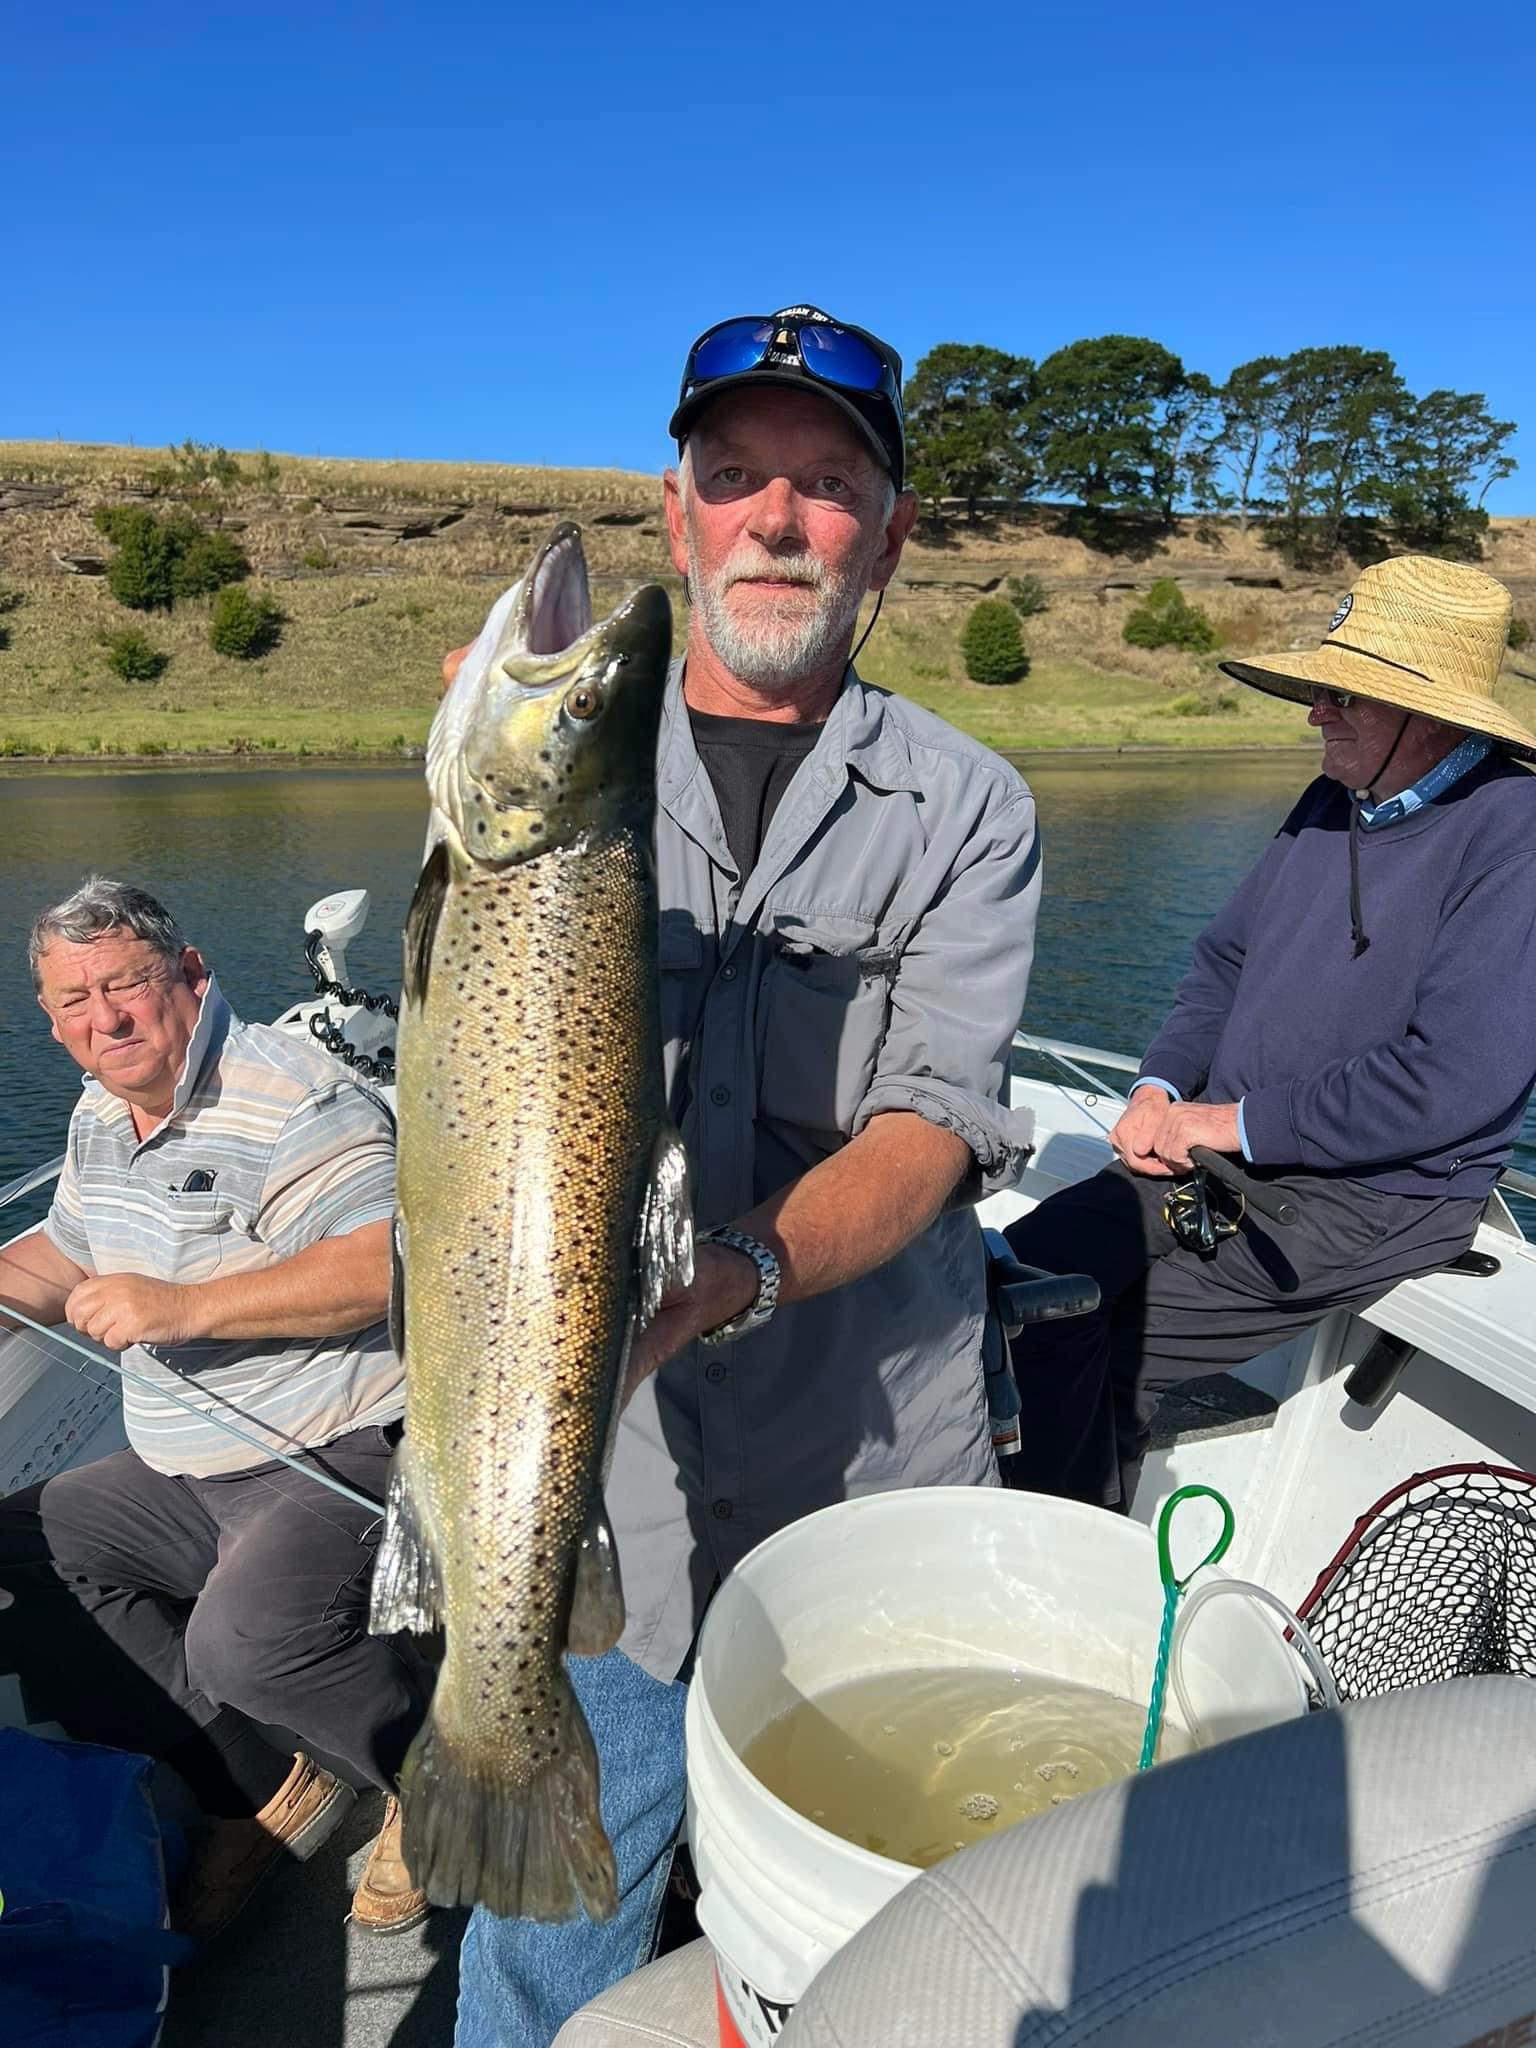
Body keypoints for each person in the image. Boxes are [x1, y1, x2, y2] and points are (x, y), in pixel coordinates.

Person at [449, 307, 1041, 2046]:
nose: (778, 518)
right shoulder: (558, 764)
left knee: (869, 1912)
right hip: (596, 1472)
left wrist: (734, 1276)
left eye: (828, 483)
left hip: (864, 1462)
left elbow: (932, 1126)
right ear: (676, 512)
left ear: (893, 532)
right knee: (548, 1926)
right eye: (736, 478)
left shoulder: (970, 807)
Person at [1002, 554, 1536, 1512]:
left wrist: (1226, 1124)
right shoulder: (1334, 797)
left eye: (1340, 696)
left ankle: (1062, 1587)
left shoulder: (1516, 835)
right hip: (1213, 1156)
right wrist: (1161, 1088)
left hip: (1367, 1202)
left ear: (1430, 715)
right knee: (1012, 1278)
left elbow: (1453, 1079)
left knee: (1096, 1344)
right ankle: (1047, 1535)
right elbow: (1223, 963)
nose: (1313, 713)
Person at [0, 877, 431, 1939]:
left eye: (125, 982)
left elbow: (381, 1264)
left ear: (189, 974)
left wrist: (186, 1304)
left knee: (245, 1643)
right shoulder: (106, 1106)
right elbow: (67, 1256)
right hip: (186, 1460)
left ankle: (435, 1779)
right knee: (21, 1551)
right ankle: (255, 1789)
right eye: (72, 1001)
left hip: (336, 1451)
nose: (103, 1017)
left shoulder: (292, 1094)